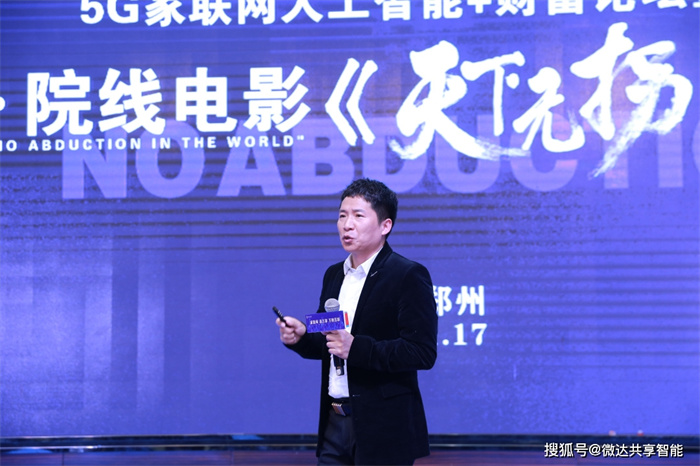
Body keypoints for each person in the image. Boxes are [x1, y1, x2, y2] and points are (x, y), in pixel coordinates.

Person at [276, 178, 438, 465]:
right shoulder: (333, 275)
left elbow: (421, 352)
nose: (346, 225)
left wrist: (357, 348)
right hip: (334, 423)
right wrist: (301, 337)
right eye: (342, 216)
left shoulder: (407, 275)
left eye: (358, 216)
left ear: (385, 225)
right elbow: (329, 343)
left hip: (384, 428)